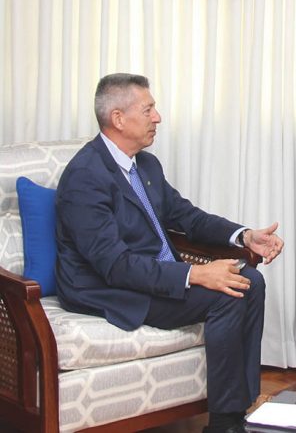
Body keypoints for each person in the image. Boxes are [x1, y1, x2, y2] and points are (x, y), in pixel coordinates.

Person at [55, 73, 283, 433]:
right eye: (148, 109)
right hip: (112, 287)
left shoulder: (145, 164)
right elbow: (114, 266)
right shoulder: (85, 177)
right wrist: (194, 274)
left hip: (152, 273)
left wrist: (244, 236)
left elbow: (186, 216)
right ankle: (224, 424)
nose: (157, 117)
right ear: (118, 118)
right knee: (228, 295)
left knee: (249, 281)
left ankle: (239, 409)